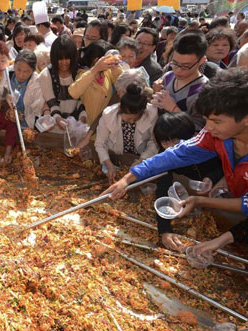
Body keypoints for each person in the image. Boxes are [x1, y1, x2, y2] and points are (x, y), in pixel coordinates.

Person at [104, 68, 248, 258]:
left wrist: (221, 238)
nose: (208, 128)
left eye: (216, 121)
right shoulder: (214, 135)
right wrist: (128, 179)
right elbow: (174, 155)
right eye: (206, 120)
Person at [151, 112, 223, 250]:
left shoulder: (205, 144)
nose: (171, 147)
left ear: (189, 137)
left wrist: (211, 178)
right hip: (195, 193)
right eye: (165, 142)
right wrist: (164, 230)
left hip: (224, 188)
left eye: (175, 141)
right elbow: (162, 189)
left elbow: (224, 165)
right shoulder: (165, 156)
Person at [95, 82, 158, 181]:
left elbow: (154, 142)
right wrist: (109, 164)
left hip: (139, 155)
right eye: (129, 119)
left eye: (136, 119)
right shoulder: (108, 114)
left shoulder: (152, 113)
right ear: (120, 109)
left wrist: (142, 160)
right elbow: (100, 143)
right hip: (116, 156)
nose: (132, 122)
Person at [69, 40, 123, 146]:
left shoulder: (107, 73)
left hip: (104, 129)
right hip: (87, 132)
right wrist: (95, 69)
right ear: (96, 60)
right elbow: (73, 92)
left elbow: (122, 83)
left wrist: (116, 66)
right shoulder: (84, 75)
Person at [151, 32, 209, 131]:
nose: (178, 70)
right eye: (175, 63)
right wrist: (155, 93)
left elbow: (201, 130)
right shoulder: (168, 77)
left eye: (186, 66)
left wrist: (174, 110)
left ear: (202, 61)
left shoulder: (205, 90)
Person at [39, 36, 81, 133]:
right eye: (60, 59)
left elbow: (82, 99)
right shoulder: (46, 75)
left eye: (67, 58)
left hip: (75, 127)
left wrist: (82, 117)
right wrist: (58, 118)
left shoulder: (79, 73)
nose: (64, 62)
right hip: (54, 127)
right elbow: (51, 101)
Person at [9, 49, 45, 129]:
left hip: (26, 126)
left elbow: (37, 110)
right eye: (18, 70)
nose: (21, 75)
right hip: (7, 123)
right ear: (14, 65)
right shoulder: (8, 74)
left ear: (33, 70)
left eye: (26, 72)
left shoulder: (37, 82)